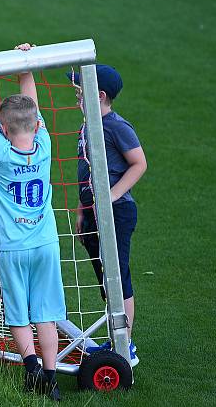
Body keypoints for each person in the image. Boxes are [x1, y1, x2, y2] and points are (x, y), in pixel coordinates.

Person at [0, 44, 65, 401]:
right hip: (46, 245)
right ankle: (52, 379)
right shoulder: (44, 145)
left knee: (18, 311)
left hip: (13, 247)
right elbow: (34, 109)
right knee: (46, 312)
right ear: (37, 125)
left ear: (4, 129)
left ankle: (32, 369)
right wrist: (27, 66)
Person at [68, 65, 146, 364]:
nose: (76, 96)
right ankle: (116, 337)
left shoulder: (116, 126)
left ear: (99, 95)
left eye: (80, 91)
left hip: (117, 212)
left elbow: (139, 163)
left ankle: (125, 346)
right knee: (104, 277)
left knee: (117, 275)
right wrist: (81, 210)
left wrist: (111, 196)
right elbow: (85, 173)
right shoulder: (87, 124)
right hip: (92, 212)